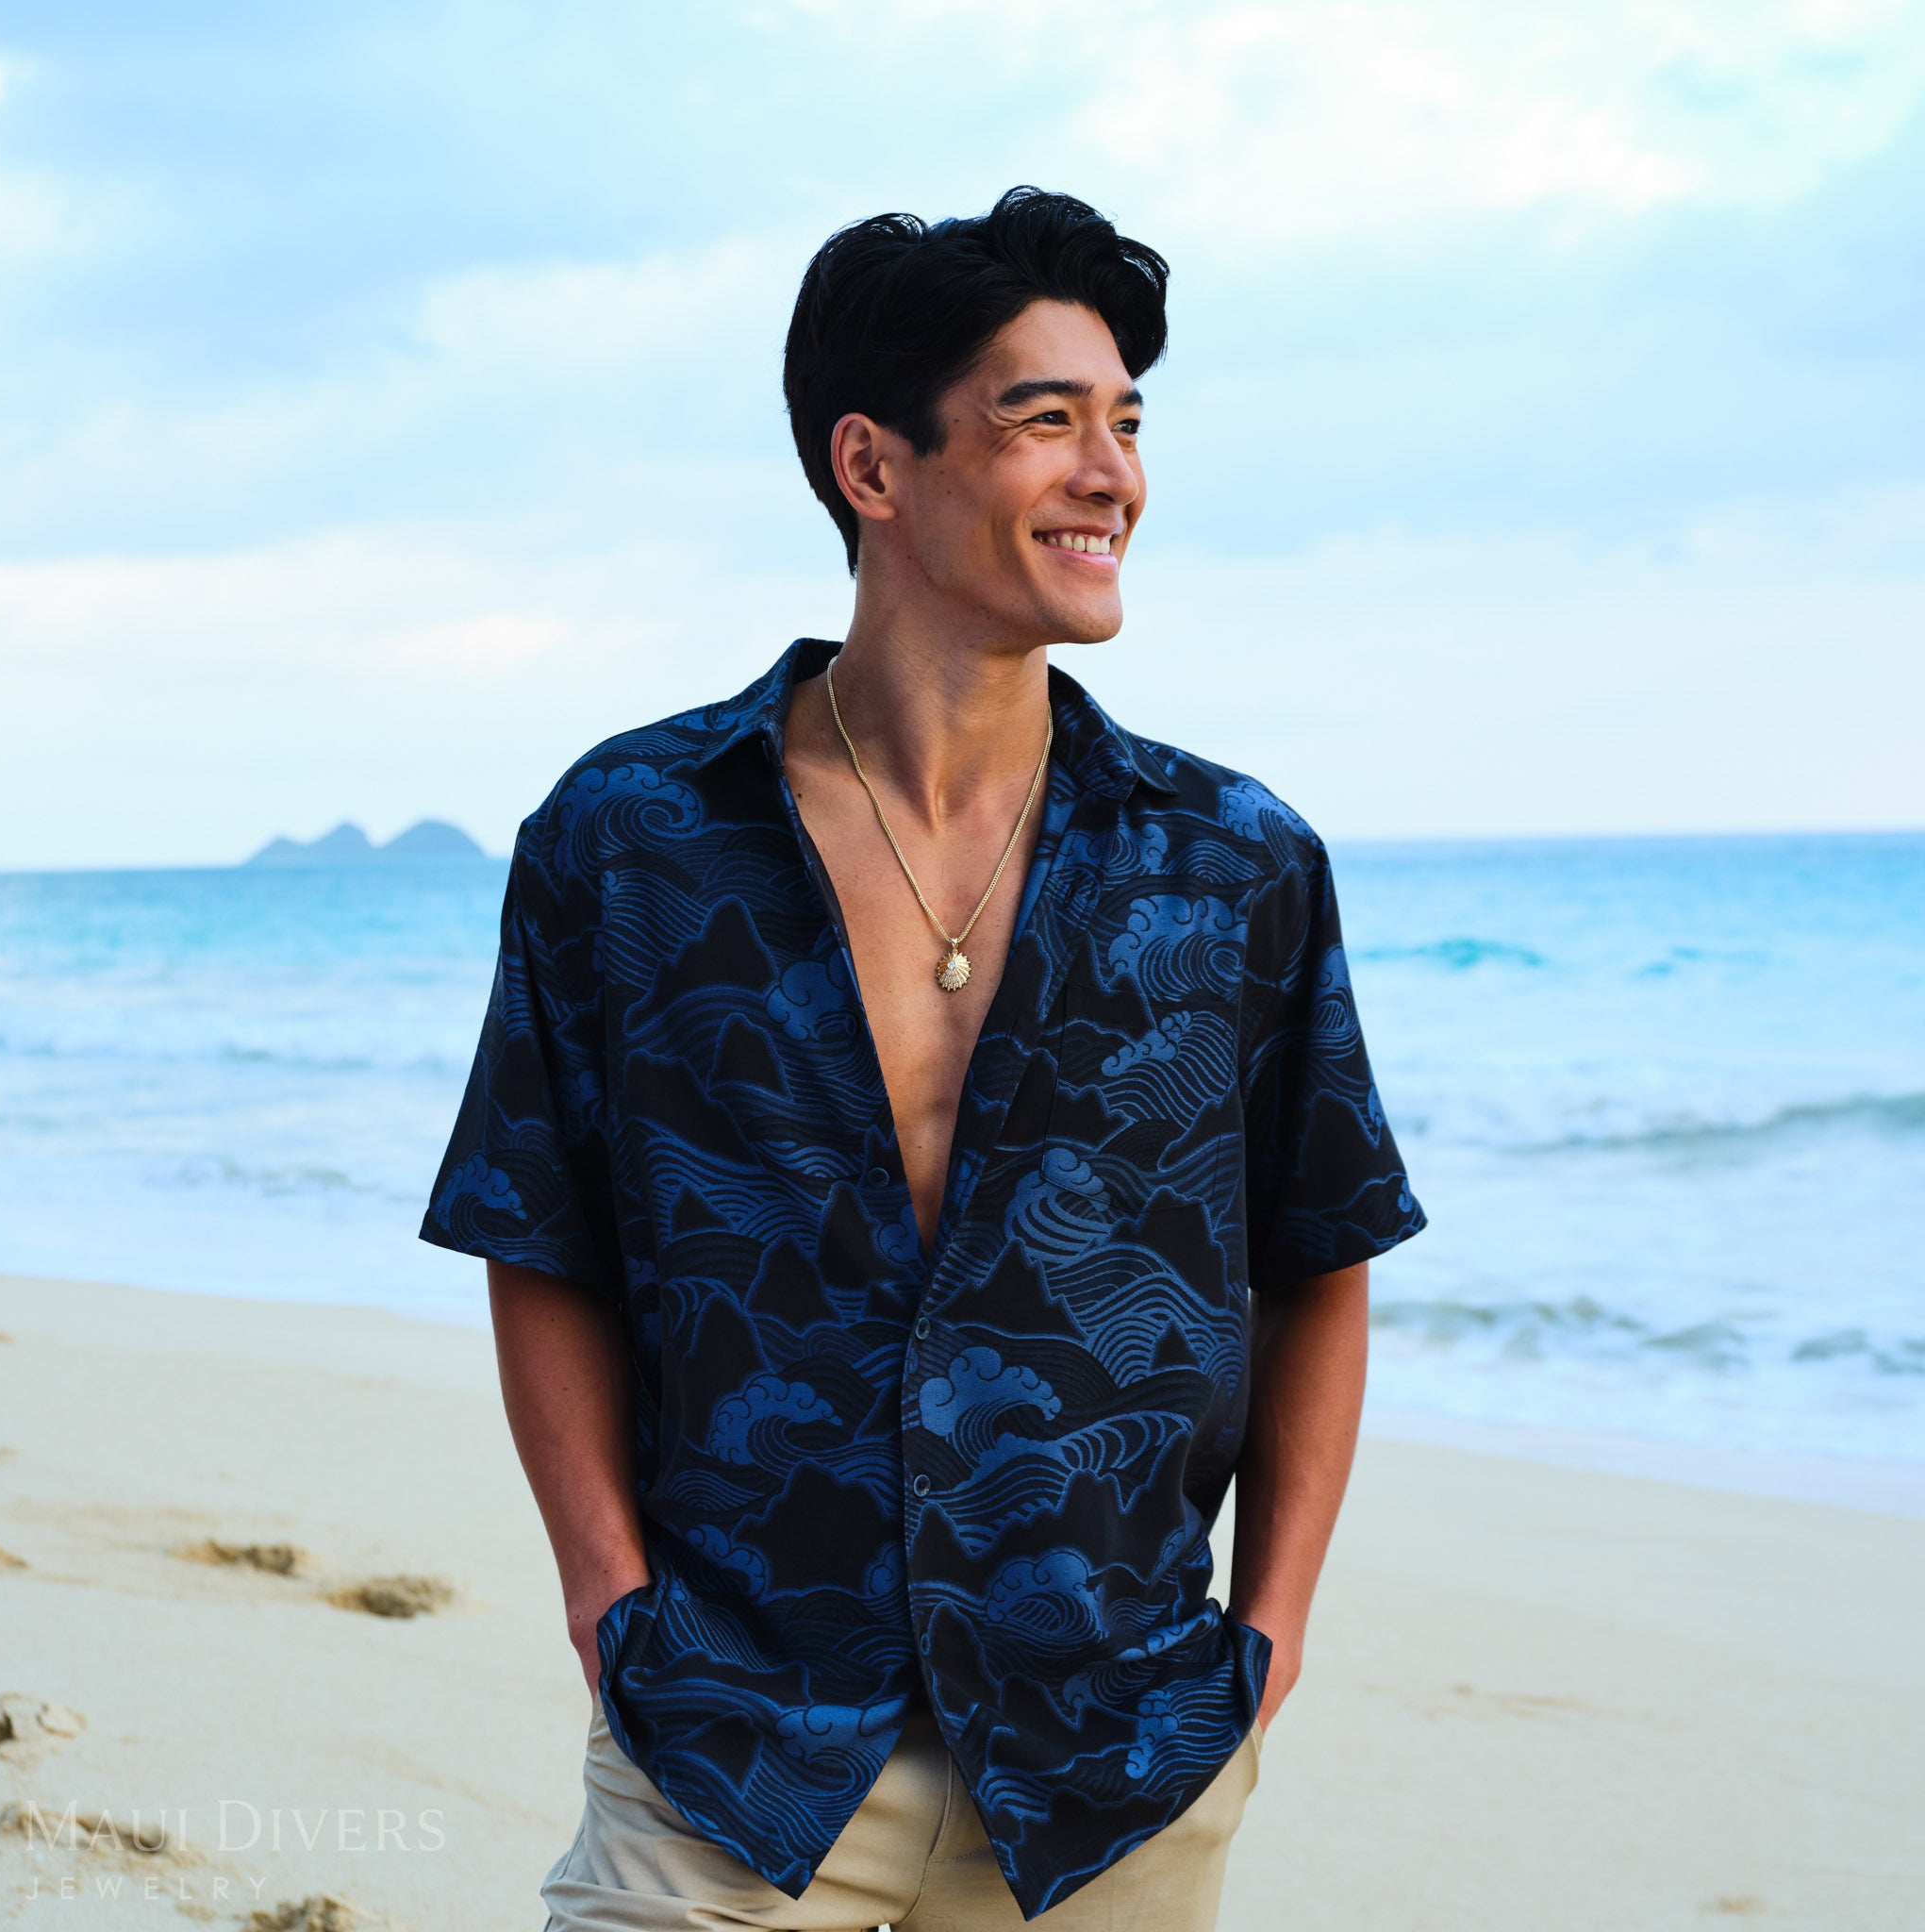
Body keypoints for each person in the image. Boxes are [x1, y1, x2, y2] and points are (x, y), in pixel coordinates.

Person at [421, 184, 1425, 1930]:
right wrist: (606, 1594)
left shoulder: (1236, 861)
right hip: (732, 1732)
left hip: (1115, 1760)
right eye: (1048, 424)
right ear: (872, 469)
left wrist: (1269, 1638)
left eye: (1126, 424)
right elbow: (542, 1229)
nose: (1112, 473)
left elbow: (1317, 1252)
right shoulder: (633, 837)